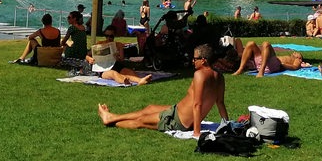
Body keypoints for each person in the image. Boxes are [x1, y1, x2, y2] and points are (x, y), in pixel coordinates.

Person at [97, 43, 228, 132]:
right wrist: (227, 125)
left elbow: (197, 104)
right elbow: (220, 103)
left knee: (141, 121)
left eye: (195, 59)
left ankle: (111, 119)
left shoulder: (200, 75)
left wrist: (197, 132)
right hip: (178, 111)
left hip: (179, 121)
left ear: (204, 60)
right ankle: (112, 117)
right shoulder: (219, 76)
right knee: (150, 108)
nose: (193, 61)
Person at [87, 26, 153, 85]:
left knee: (129, 72)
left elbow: (121, 59)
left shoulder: (118, 45)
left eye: (111, 36)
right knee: (113, 74)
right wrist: (89, 59)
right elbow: (87, 55)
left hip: (116, 65)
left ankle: (140, 80)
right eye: (107, 36)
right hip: (103, 69)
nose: (108, 38)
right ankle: (124, 80)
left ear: (114, 36)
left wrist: (117, 57)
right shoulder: (100, 44)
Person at [230, 40, 307, 77]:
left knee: (266, 44)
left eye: (297, 53)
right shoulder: (289, 57)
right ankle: (240, 69)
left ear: (300, 57)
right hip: (263, 62)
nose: (295, 52)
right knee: (251, 43)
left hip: (272, 65)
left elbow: (295, 67)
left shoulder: (297, 60)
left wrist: (283, 65)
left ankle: (261, 72)